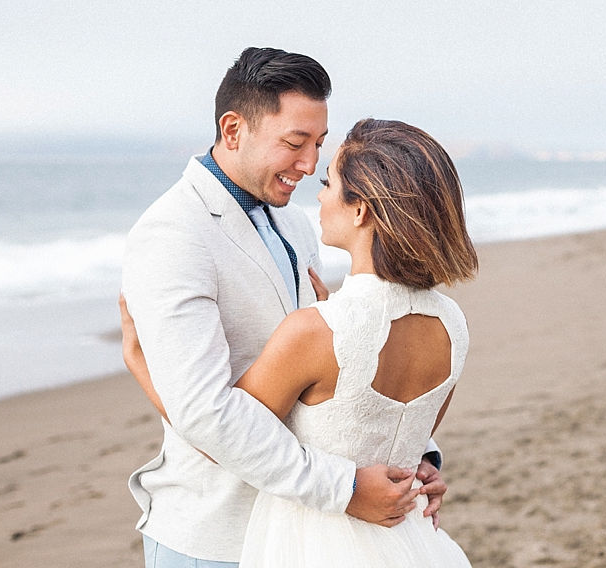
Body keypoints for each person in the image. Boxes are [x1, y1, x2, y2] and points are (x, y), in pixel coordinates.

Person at [120, 48, 447, 567]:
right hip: (216, 535)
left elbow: (335, 368)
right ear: (233, 130)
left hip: (304, 535)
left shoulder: (296, 225)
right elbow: (206, 413)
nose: (310, 165)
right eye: (295, 143)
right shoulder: (173, 236)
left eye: (318, 144)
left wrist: (412, 455)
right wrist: (344, 490)